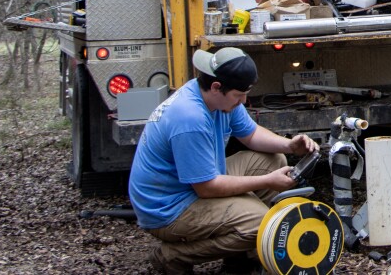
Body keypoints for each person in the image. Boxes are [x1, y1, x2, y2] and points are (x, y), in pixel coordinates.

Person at [129, 47, 319, 274]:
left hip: (192, 183)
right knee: (264, 224)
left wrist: (289, 145)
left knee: (274, 159)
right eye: (239, 95)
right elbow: (207, 188)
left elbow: (251, 135)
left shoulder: (217, 98)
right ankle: (172, 256)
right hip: (168, 207)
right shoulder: (190, 118)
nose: (243, 101)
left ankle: (240, 257)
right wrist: (268, 181)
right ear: (216, 87)